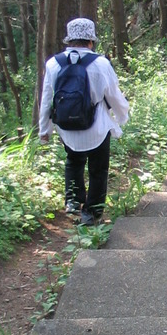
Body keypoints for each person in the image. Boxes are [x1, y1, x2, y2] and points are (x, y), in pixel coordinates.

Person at [39, 17, 129, 226]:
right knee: (98, 168)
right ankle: (92, 211)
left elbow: (46, 99)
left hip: (67, 128)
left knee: (73, 161)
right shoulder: (100, 63)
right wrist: (122, 117)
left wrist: (45, 130)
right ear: (91, 41)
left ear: (69, 40)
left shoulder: (53, 64)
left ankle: (73, 200)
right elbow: (114, 95)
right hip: (97, 126)